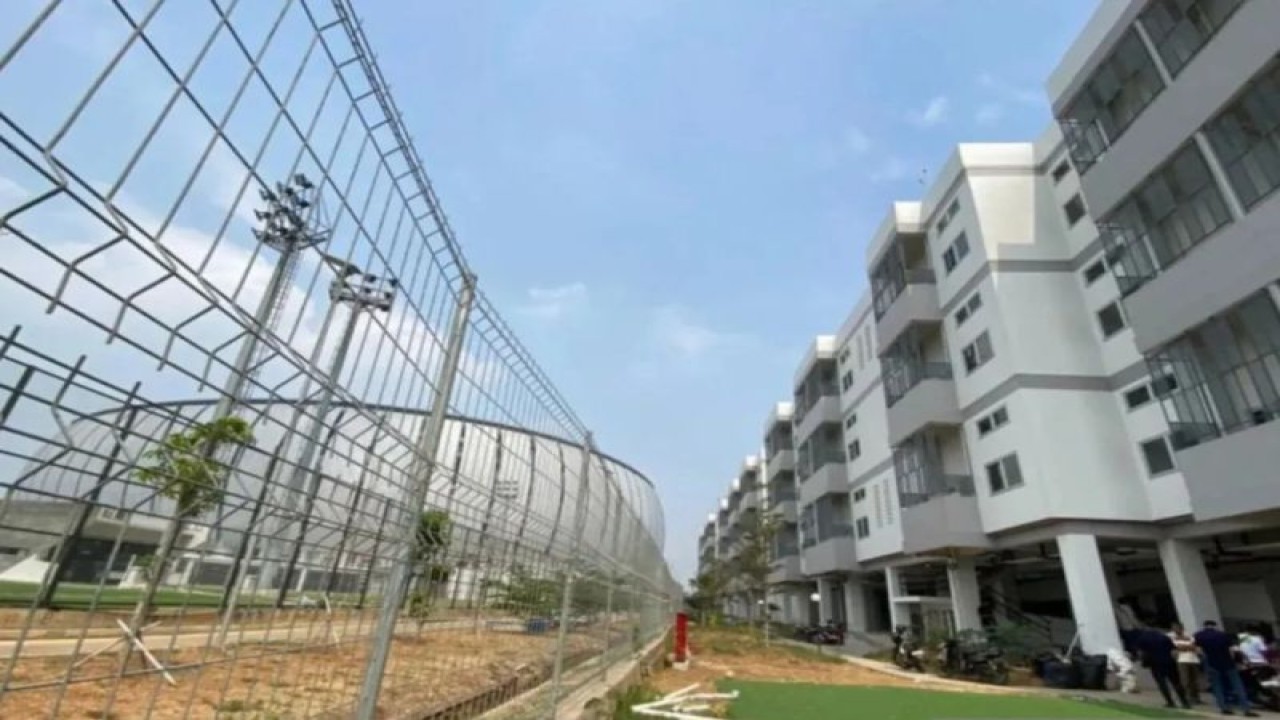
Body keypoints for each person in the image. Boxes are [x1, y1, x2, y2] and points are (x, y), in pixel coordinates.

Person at [1195, 620, 1258, 716]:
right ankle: (1246, 709)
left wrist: (1205, 663)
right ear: (1215, 626)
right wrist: (1232, 661)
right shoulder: (1223, 635)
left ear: (1204, 626)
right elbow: (1231, 651)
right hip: (1228, 663)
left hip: (1212, 664)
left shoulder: (1199, 635)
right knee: (1237, 685)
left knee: (1217, 686)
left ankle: (1224, 708)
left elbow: (1199, 651)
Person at [1135, 627, 1191, 709]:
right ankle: (1184, 702)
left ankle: (1170, 702)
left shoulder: (1142, 638)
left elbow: (1140, 652)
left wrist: (1143, 661)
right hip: (1169, 662)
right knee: (1176, 683)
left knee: (1162, 684)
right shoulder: (1164, 637)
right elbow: (1173, 650)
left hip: (1155, 664)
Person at [1169, 621, 1202, 705]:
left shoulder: (1189, 635)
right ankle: (1188, 698)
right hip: (1182, 660)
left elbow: (1194, 646)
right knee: (1185, 680)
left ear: (1181, 628)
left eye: (1177, 627)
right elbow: (1176, 648)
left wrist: (1184, 647)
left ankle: (1196, 698)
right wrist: (1187, 647)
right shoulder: (1172, 637)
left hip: (1193, 660)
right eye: (1174, 628)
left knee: (1194, 680)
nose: (1175, 629)